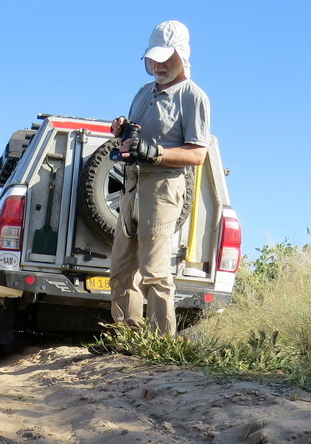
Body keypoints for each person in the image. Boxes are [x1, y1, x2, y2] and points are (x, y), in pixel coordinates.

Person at [108, 20, 210, 337]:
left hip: (164, 186)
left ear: (183, 55)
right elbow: (135, 140)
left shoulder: (193, 97)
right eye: (154, 59)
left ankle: (161, 344)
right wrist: (121, 131)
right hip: (133, 184)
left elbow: (198, 154)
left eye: (166, 58)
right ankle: (126, 339)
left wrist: (155, 152)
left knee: (154, 271)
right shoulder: (143, 92)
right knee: (121, 269)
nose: (159, 65)